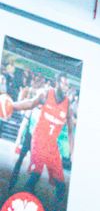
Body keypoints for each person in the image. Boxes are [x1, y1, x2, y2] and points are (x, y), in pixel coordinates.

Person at [8, 72, 74, 205]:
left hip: (52, 145)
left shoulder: (67, 105)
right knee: (34, 175)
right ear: (56, 83)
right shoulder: (46, 94)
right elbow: (30, 103)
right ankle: (21, 202)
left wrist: (72, 152)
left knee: (61, 187)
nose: (66, 87)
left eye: (67, 85)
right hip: (38, 138)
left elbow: (71, 131)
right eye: (63, 84)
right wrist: (12, 106)